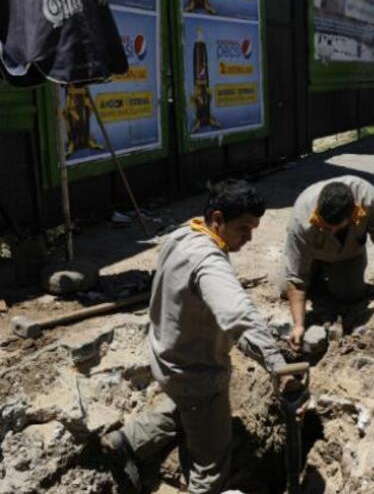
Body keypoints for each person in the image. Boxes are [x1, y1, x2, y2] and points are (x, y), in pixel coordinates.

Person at [101, 180, 299, 494]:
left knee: (187, 410)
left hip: (166, 357)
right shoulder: (208, 262)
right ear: (217, 218)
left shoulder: (183, 234)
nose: (249, 238)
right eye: (243, 228)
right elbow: (239, 315)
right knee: (212, 459)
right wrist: (277, 364)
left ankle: (127, 441)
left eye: (254, 228)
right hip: (197, 374)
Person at [282, 176, 374, 350]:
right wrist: (298, 326)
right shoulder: (301, 218)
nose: (332, 231)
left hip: (347, 255)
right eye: (325, 227)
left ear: (351, 214)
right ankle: (317, 279)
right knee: (285, 289)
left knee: (350, 294)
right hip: (310, 255)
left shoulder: (369, 199)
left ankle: (332, 283)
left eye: (337, 227)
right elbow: (296, 279)